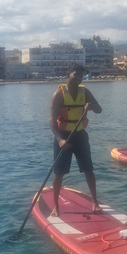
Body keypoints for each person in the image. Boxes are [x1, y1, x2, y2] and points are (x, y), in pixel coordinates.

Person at [49, 63, 103, 216]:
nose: (79, 78)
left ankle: (94, 202)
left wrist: (91, 106)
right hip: (63, 136)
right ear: (68, 76)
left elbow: (99, 109)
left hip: (80, 135)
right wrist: (60, 140)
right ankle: (56, 206)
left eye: (81, 76)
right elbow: (52, 122)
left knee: (88, 169)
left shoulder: (85, 92)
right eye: (76, 75)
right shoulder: (58, 95)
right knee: (58, 172)